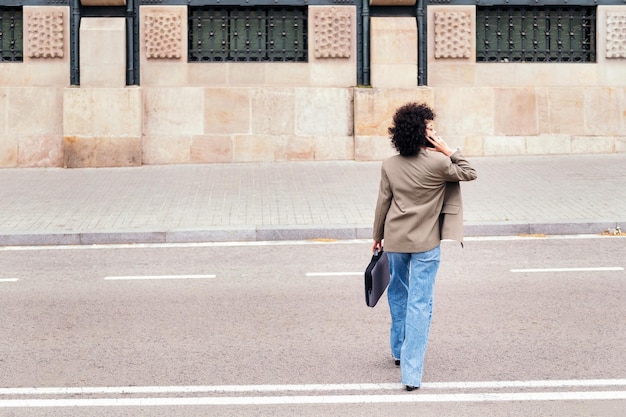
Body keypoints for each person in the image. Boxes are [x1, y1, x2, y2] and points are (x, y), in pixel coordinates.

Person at [372, 102, 477, 391]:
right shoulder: (440, 164)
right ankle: (411, 373)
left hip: (395, 239)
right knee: (420, 303)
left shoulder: (389, 165)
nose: (435, 132)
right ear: (420, 132)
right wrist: (448, 150)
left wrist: (377, 235)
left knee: (397, 292)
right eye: (430, 128)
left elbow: (383, 202)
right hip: (426, 243)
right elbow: (469, 172)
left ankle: (397, 349)